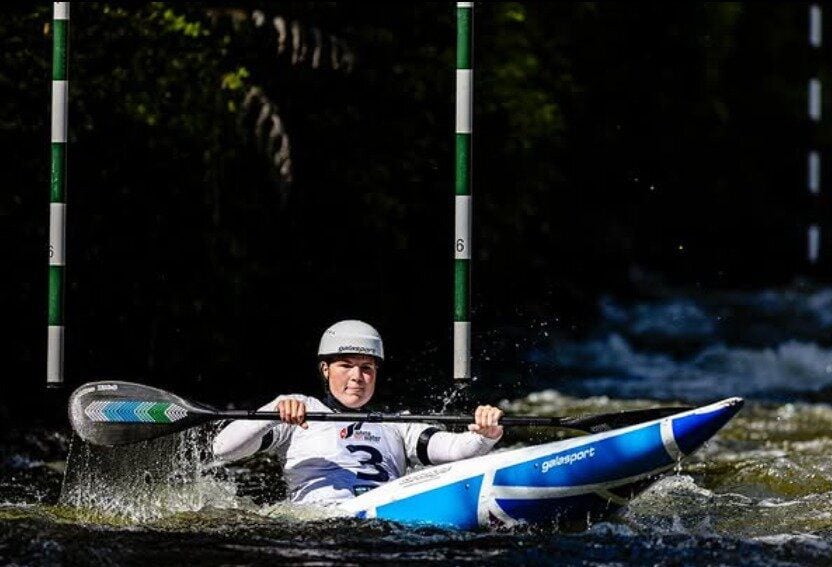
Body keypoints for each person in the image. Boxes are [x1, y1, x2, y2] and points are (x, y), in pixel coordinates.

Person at [212, 320, 504, 505]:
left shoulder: (397, 424)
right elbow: (223, 450)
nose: (357, 377)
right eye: (346, 365)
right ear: (325, 370)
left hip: (384, 519)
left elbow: (454, 449)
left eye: (367, 368)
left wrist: (483, 436)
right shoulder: (299, 410)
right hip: (319, 526)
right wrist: (272, 413)